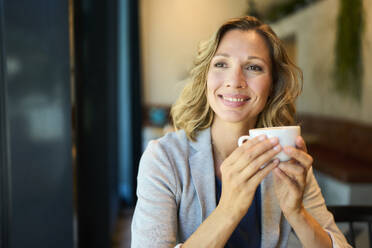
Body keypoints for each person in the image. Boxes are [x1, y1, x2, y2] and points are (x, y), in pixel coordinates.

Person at [131, 16, 350, 248]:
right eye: (221, 64)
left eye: (253, 67)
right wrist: (228, 210)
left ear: (273, 85)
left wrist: (298, 213)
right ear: (205, 75)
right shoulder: (164, 158)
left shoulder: (285, 156)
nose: (235, 81)